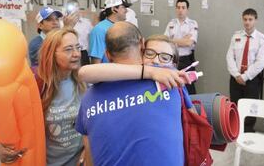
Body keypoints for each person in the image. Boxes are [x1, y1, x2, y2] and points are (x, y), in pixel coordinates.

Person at [76, 22, 192, 165]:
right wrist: (150, 71)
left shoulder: (88, 99)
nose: (156, 60)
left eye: (163, 57)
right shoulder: (169, 79)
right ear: (142, 44)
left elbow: (89, 156)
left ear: (107, 53)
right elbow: (193, 120)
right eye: (150, 53)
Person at [0, 27, 86, 165]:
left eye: (78, 47)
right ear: (51, 54)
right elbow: (10, 121)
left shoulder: (83, 82)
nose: (76, 54)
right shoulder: (35, 83)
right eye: (68, 49)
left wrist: (86, 151)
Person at [226, 8, 264, 132]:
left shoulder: (262, 39)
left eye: (250, 19)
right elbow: (229, 57)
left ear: (255, 20)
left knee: (251, 107)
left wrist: (244, 77)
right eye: (245, 19)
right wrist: (236, 75)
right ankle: (235, 130)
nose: (247, 22)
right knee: (235, 104)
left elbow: (260, 63)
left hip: (251, 79)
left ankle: (248, 130)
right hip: (235, 78)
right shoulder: (236, 36)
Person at [164, 0, 198, 94]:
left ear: (187, 10)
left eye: (183, 7)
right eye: (178, 7)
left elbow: (189, 43)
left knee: (188, 89)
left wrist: (172, 41)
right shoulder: (171, 23)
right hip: (172, 60)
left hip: (186, 60)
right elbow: (165, 41)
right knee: (173, 87)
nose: (180, 10)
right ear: (176, 9)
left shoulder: (192, 24)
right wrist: (183, 39)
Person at [89, 0, 129, 64]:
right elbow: (96, 60)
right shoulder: (99, 29)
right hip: (107, 73)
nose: (126, 10)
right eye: (123, 7)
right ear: (114, 9)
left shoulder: (123, 27)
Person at [64, 0, 93, 66]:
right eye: (72, 6)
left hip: (83, 53)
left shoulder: (87, 23)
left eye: (76, 6)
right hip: (68, 52)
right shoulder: (62, 23)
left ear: (79, 8)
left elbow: (91, 39)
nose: (75, 9)